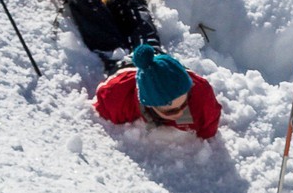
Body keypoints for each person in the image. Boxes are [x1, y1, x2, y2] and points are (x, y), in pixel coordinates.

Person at [93, 43, 222, 139]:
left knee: (144, 31)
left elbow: (209, 126)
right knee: (106, 42)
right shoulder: (120, 97)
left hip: (158, 60)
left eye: (184, 103)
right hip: (125, 68)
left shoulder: (200, 96)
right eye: (170, 110)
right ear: (149, 104)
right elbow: (104, 101)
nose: (180, 111)